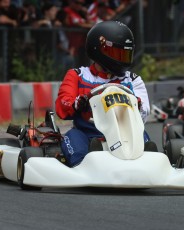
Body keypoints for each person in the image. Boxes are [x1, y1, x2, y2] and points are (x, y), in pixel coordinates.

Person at [55, 20, 151, 167]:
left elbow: (144, 112)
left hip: (125, 134)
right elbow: (63, 105)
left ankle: (146, 162)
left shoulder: (133, 80)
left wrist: (136, 104)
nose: (122, 60)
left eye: (125, 54)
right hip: (88, 133)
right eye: (117, 54)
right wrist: (78, 104)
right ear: (99, 50)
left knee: (143, 136)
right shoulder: (77, 75)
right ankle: (84, 165)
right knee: (72, 137)